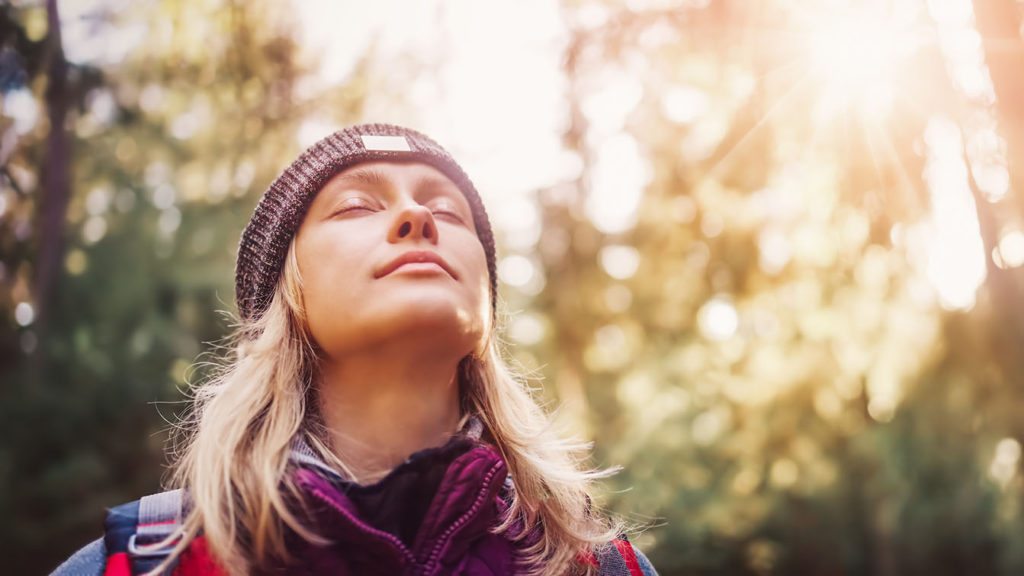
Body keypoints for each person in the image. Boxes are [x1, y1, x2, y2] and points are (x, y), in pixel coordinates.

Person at [52, 124, 657, 575]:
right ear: (286, 297)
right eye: (357, 206)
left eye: (449, 210)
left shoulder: (599, 567)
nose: (419, 215)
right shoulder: (140, 562)